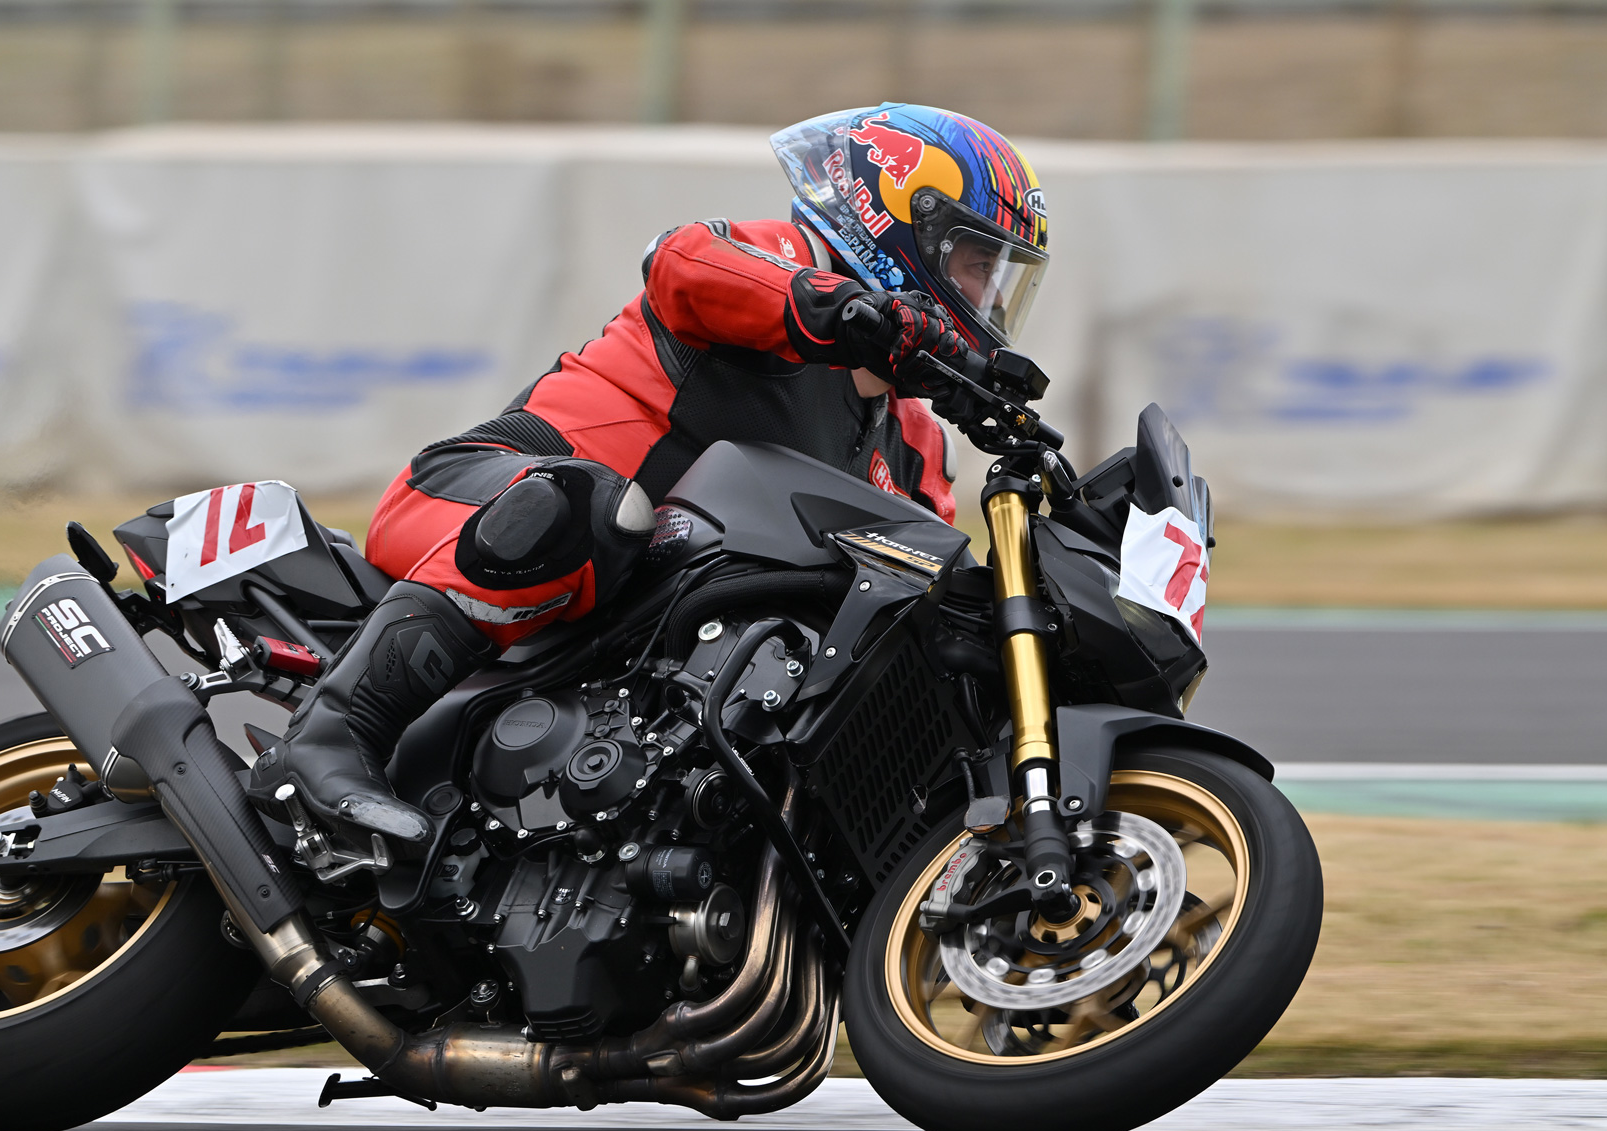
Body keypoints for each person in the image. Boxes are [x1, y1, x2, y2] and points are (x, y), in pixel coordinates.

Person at [266, 103, 1052, 844]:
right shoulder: (783, 263)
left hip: (632, 633)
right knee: (600, 508)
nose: (988, 301)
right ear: (897, 228)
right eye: (978, 264)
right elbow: (680, 261)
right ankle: (330, 737)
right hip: (482, 502)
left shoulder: (916, 443)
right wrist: (847, 313)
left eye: (1003, 277)